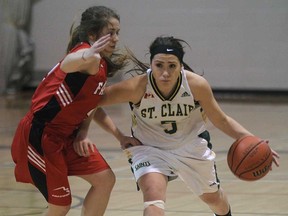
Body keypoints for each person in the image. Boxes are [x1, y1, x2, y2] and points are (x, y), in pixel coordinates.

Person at [98, 36, 280, 216]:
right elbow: (89, 103)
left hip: (191, 146)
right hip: (149, 149)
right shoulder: (136, 87)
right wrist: (118, 136)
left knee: (214, 200)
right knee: (153, 197)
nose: (165, 73)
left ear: (181, 66)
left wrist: (256, 142)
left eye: (172, 66)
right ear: (151, 63)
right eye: (159, 65)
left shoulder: (196, 86)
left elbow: (221, 120)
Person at [11, 5, 140, 216]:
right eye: (110, 33)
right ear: (92, 34)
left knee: (104, 179)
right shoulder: (86, 56)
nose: (116, 38)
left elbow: (91, 106)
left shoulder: (100, 64)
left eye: (118, 33)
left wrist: (114, 135)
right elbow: (67, 64)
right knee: (60, 206)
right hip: (41, 135)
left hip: (66, 136)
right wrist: (89, 53)